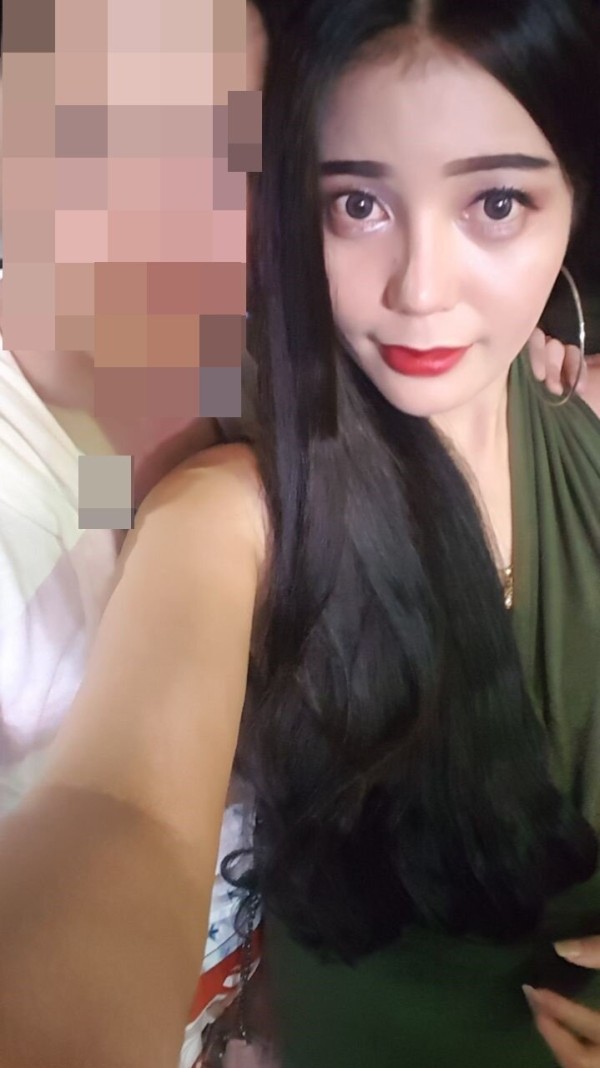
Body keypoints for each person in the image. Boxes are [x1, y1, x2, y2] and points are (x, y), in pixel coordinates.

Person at [0, 2, 599, 1068]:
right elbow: (118, 810)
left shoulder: (553, 408)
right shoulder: (229, 508)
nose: (422, 290)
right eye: (358, 202)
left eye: (497, 202)